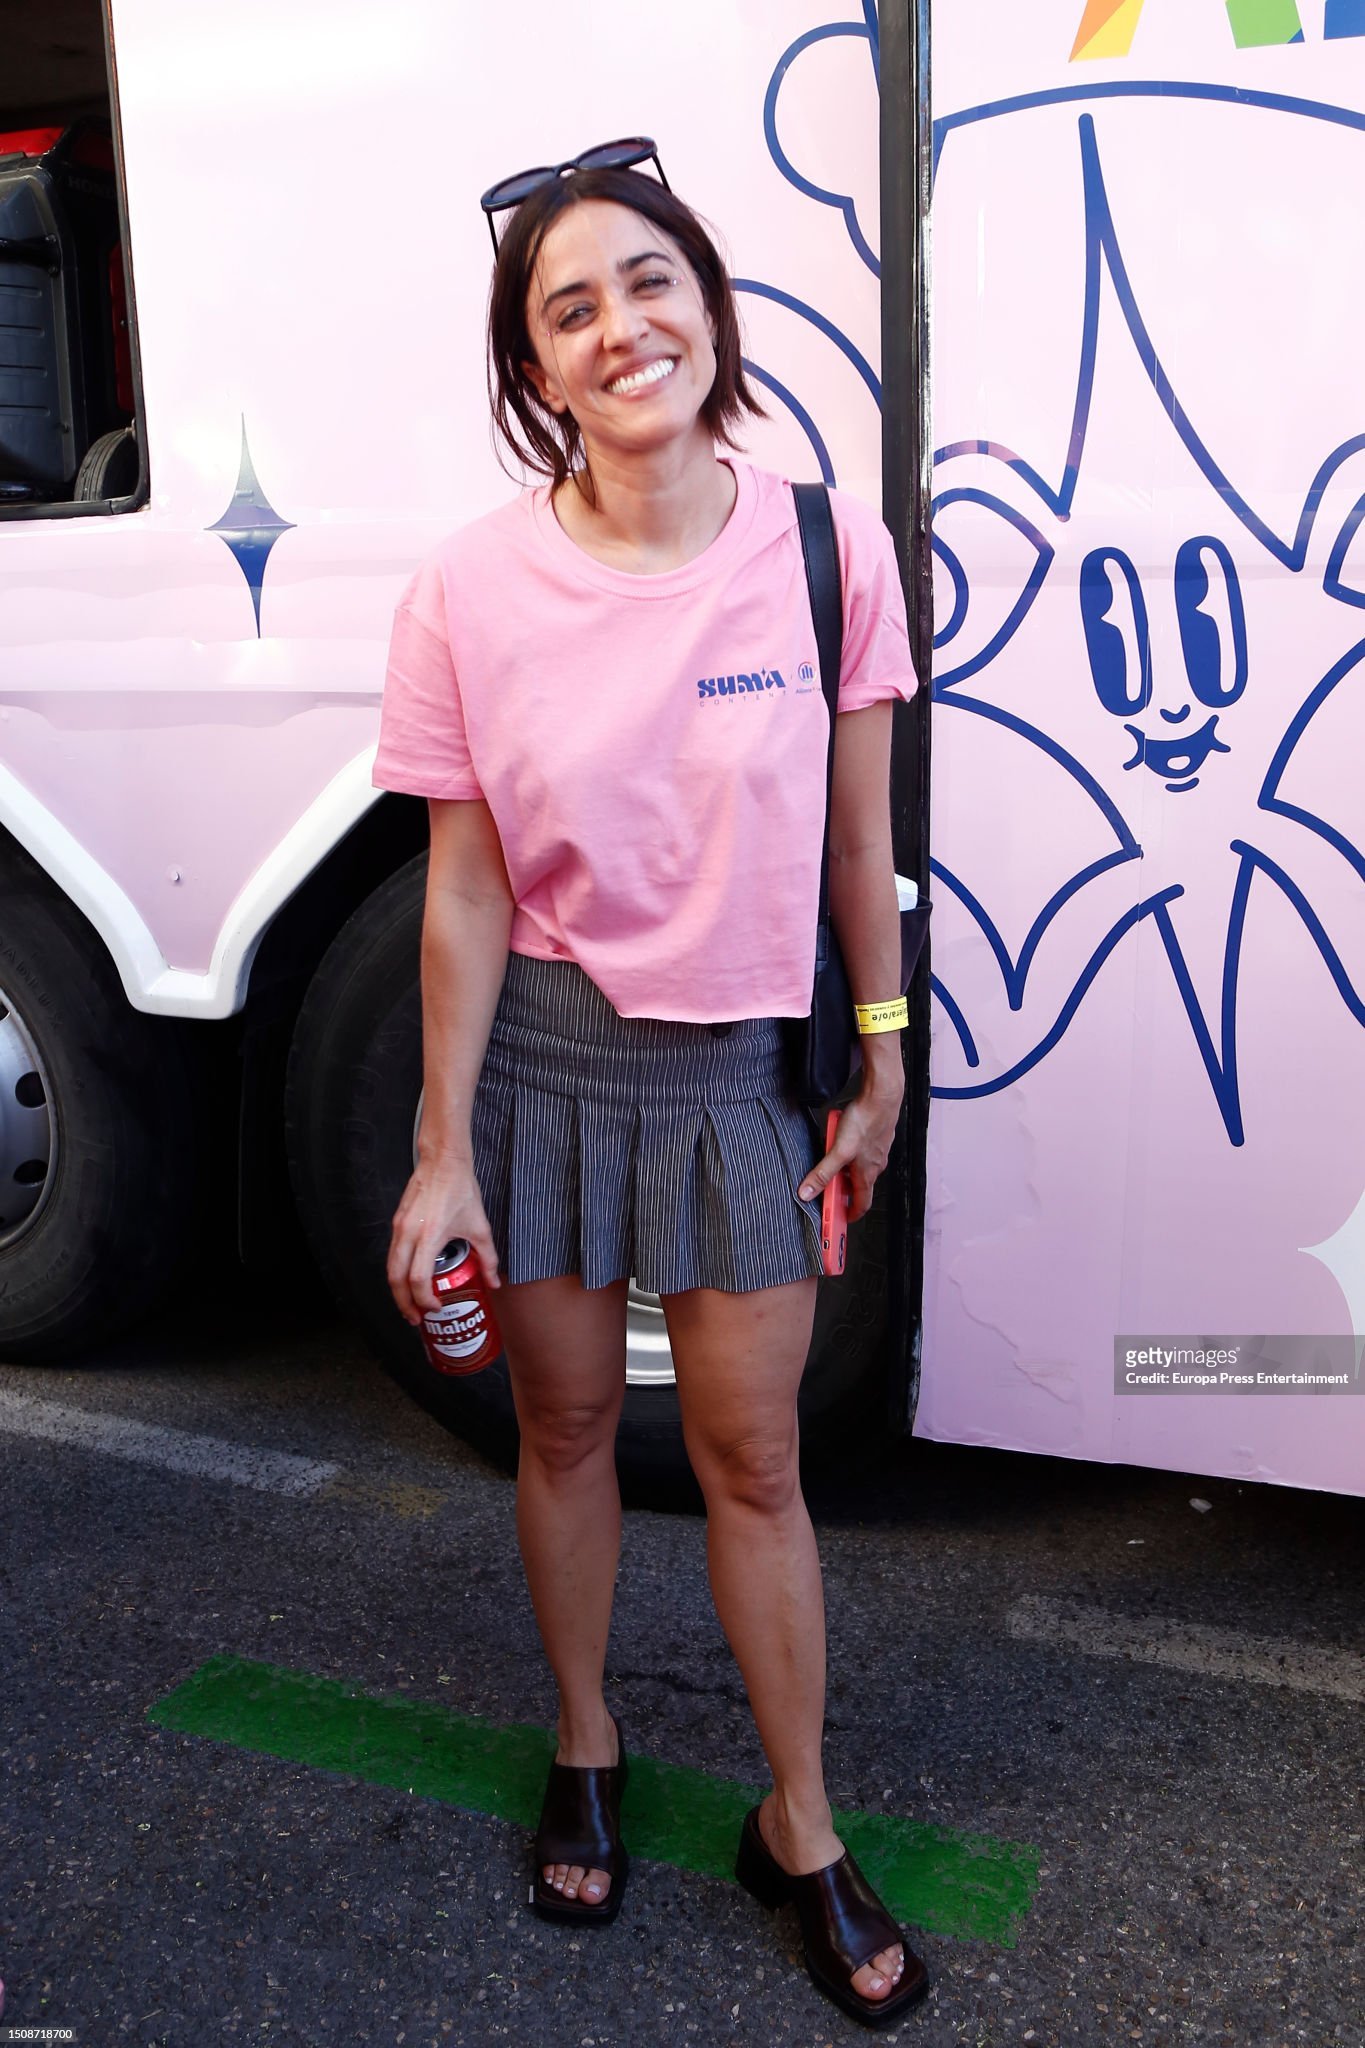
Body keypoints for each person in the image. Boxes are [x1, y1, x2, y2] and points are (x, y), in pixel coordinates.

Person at [372, 138, 929, 2028]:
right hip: (542, 1064)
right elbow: (462, 890)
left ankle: (798, 1821)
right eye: (570, 308)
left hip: (745, 1078)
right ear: (533, 368)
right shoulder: (467, 590)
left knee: (755, 1460)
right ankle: (588, 1739)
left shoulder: (828, 552)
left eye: (648, 281)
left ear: (708, 305)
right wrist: (441, 1152)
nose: (621, 328)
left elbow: (859, 848)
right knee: (563, 1431)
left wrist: (879, 1049)